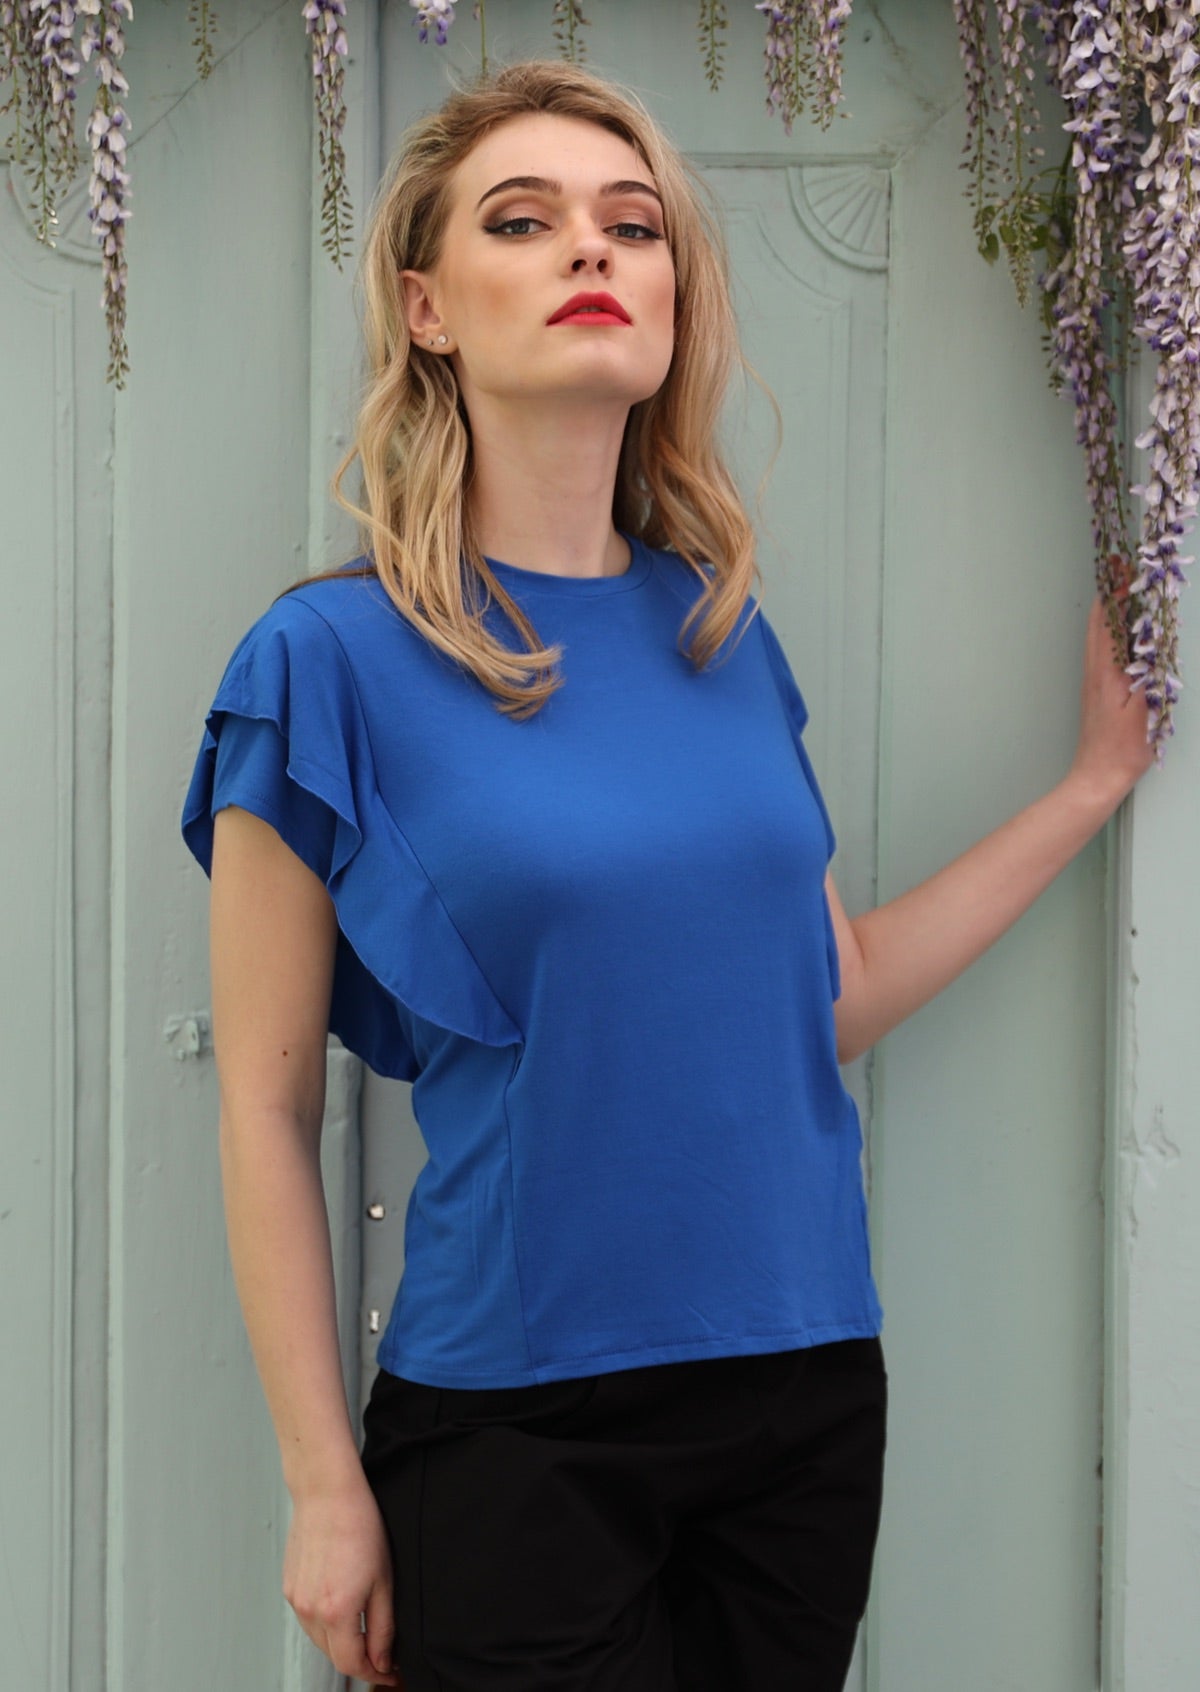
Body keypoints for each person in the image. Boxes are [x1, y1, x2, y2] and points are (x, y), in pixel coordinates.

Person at [181, 58, 1155, 1692]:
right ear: (427, 308)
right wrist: (321, 1483)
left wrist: (1089, 789)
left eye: (634, 228)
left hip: (805, 1396)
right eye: (526, 219)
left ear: (675, 303)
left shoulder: (718, 630)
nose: (592, 253)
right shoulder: (323, 662)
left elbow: (820, 997)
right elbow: (266, 1112)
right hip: (518, 1424)